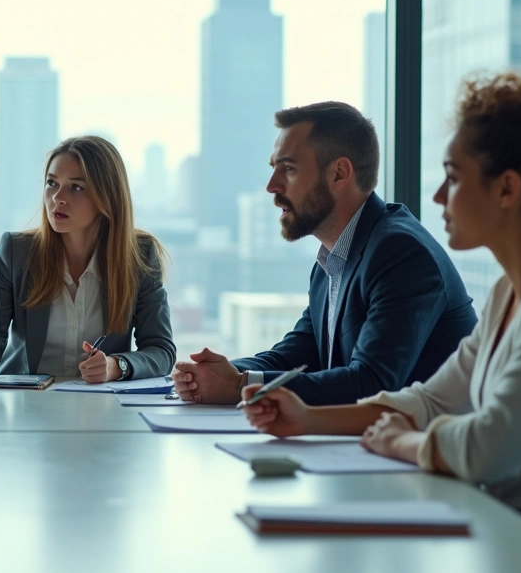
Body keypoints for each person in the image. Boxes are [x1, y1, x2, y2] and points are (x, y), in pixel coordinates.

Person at [244, 73, 521, 573]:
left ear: (507, 189)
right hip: (519, 529)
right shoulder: (511, 291)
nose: (439, 196)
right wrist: (308, 419)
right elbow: (431, 401)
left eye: (454, 178)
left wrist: (401, 442)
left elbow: (488, 450)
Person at [172, 102, 477, 405]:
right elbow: (297, 356)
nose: (271, 186)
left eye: (288, 169)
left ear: (339, 174)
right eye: (274, 168)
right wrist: (217, 373)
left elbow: (372, 383)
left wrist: (240, 385)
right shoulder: (331, 259)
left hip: (427, 436)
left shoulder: (401, 252)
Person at [0, 135, 175, 382]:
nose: (57, 198)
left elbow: (162, 351)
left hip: (98, 403)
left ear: (107, 197)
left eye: (76, 187)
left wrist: (116, 366)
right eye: (52, 183)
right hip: (25, 402)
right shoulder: (17, 252)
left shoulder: (139, 256)